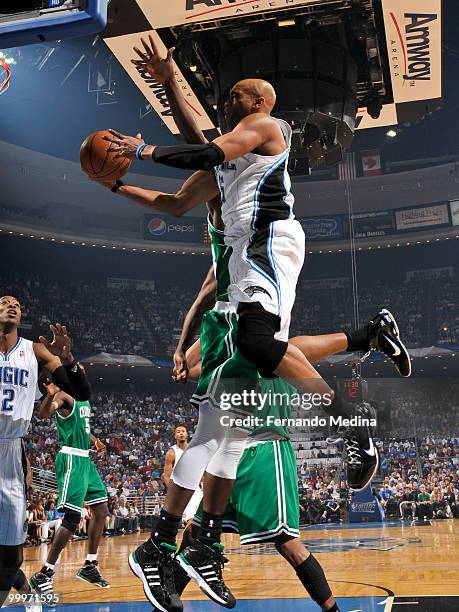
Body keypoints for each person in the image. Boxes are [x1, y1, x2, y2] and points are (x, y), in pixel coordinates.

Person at [0, 295, 90, 607]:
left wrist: (67, 357)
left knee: (12, 556)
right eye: (4, 301)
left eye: (17, 304)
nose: (11, 305)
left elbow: (81, 391)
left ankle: (28, 597)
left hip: (11, 450)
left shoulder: (34, 350)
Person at [29, 378, 110, 594]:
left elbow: (84, 430)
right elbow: (44, 414)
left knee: (101, 510)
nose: (81, 372)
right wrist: (49, 394)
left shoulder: (82, 400)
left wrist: (96, 442)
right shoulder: (62, 396)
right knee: (73, 519)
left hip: (85, 459)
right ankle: (44, 573)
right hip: (72, 460)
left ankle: (90, 565)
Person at [162, 425, 203, 526]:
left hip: (196, 488)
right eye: (178, 432)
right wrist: (173, 493)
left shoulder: (193, 449)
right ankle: (190, 541)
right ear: (175, 436)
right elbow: (166, 475)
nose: (181, 433)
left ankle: (199, 541)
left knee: (201, 519)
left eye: (183, 431)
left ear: (187, 434)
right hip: (181, 490)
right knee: (191, 520)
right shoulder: (171, 453)